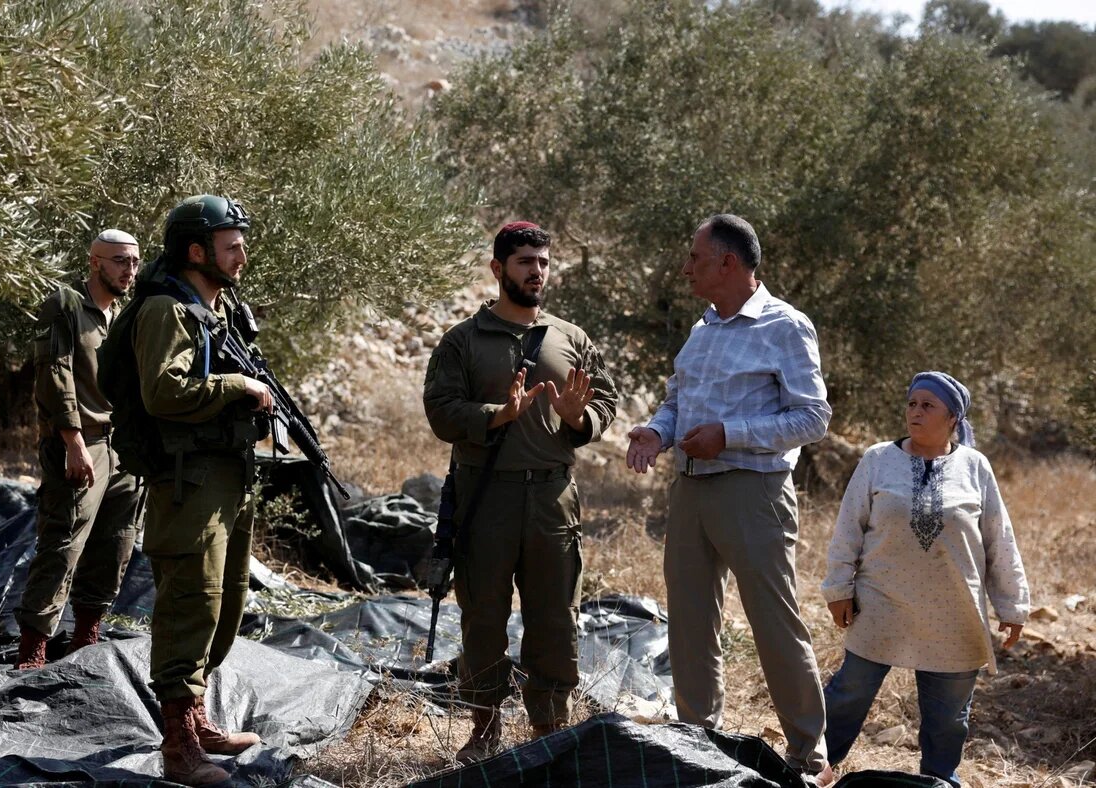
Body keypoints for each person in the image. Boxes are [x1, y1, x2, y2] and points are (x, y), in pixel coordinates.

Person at [624, 214, 833, 781]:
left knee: (772, 620)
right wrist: (655, 431)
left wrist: (730, 435)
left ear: (729, 263)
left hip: (753, 491)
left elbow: (813, 417)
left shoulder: (785, 327)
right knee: (689, 623)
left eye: (695, 257)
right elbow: (676, 401)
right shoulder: (703, 331)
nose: (686, 267)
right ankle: (699, 743)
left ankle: (808, 752)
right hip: (690, 490)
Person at [424, 221, 618, 764]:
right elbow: (440, 412)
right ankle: (483, 728)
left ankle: (549, 731)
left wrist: (581, 419)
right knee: (483, 614)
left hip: (553, 497)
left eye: (544, 262)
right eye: (525, 262)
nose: (537, 272)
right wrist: (497, 415)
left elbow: (606, 401)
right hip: (487, 498)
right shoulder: (464, 340)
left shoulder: (572, 339)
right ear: (498, 270)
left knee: (556, 615)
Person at [99, 195, 270, 786]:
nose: (242, 254)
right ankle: (178, 747)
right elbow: (162, 393)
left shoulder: (214, 310)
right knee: (190, 603)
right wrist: (235, 384)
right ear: (197, 252)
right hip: (186, 481)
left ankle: (198, 718)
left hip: (226, 475)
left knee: (226, 602)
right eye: (231, 244)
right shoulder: (165, 311)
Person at [820, 372, 1029, 788]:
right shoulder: (878, 459)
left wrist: (1013, 605)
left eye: (927, 406)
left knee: (949, 716)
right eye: (912, 403)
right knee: (849, 693)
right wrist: (838, 588)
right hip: (882, 599)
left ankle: (939, 779)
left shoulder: (975, 467)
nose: (915, 412)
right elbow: (848, 529)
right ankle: (813, 765)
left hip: (954, 609)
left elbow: (998, 540)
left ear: (953, 418)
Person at [15, 229, 144, 670]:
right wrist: (72, 441)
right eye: (120, 261)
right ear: (95, 262)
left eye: (134, 261)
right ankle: (33, 648)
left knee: (117, 543)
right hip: (81, 443)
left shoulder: (123, 316)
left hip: (121, 446)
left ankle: (85, 637)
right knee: (63, 542)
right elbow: (54, 374)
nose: (130, 270)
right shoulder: (66, 305)